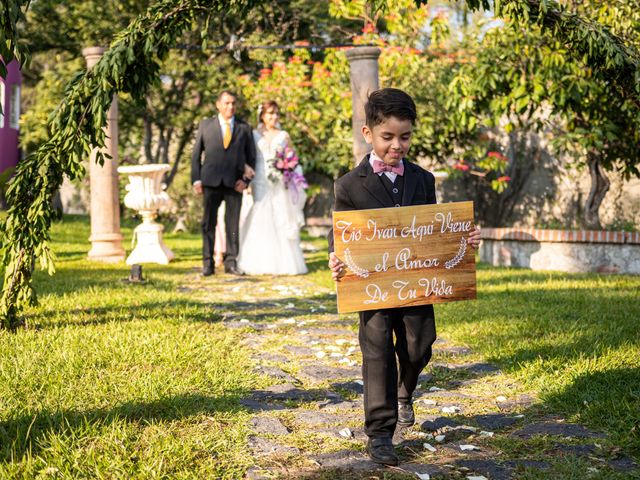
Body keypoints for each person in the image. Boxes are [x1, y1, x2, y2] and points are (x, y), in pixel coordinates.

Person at [328, 88, 481, 466]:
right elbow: (342, 237)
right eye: (388, 137)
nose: (398, 145)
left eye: (406, 136)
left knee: (419, 345)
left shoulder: (422, 180)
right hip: (372, 287)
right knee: (377, 351)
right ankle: (380, 433)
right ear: (368, 134)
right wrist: (337, 259)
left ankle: (403, 391)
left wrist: (463, 238)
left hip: (416, 284)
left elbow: (434, 230)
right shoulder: (348, 185)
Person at [237, 100, 308, 275]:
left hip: (279, 180)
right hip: (259, 178)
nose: (274, 117)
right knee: (260, 212)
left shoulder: (284, 135)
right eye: (270, 113)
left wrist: (288, 168)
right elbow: (247, 157)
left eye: (276, 113)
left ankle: (284, 263)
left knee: (280, 213)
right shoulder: (253, 133)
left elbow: (293, 157)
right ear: (262, 115)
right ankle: (258, 260)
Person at [191, 90, 256, 276]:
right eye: (227, 103)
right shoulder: (206, 125)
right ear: (218, 104)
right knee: (208, 224)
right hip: (210, 182)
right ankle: (207, 263)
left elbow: (251, 158)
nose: (230, 107)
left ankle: (231, 262)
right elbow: (196, 155)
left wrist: (245, 181)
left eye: (233, 103)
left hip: (235, 183)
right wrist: (196, 179)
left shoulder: (244, 128)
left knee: (232, 225)